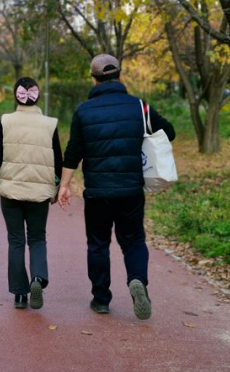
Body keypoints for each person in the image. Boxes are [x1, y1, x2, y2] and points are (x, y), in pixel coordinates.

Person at [57, 54, 175, 320]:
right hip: (130, 189)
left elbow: (73, 152)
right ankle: (137, 281)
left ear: (94, 79)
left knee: (98, 244)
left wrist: (64, 186)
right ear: (119, 75)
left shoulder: (83, 110)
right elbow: (169, 131)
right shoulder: (139, 107)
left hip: (98, 191)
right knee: (133, 240)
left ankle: (100, 299)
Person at [0, 77, 62, 310]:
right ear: (37, 96)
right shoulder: (50, 124)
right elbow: (59, 160)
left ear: (16, 96)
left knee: (16, 241)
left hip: (11, 192)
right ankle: (37, 278)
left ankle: (20, 295)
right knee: (37, 238)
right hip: (39, 192)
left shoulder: (6, 121)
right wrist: (57, 186)